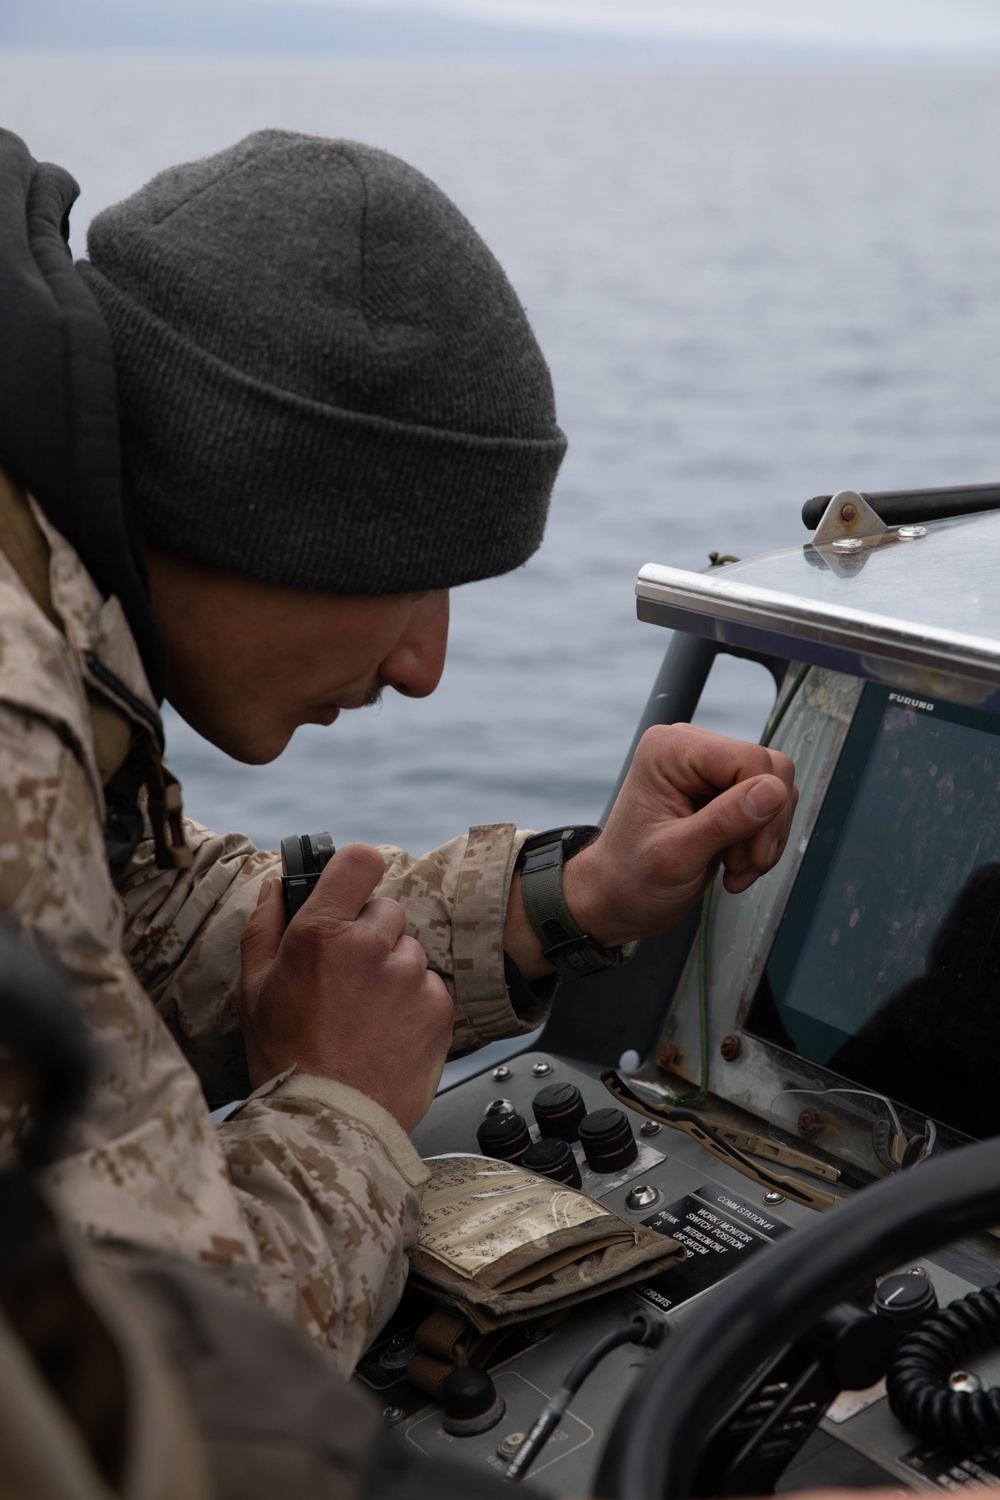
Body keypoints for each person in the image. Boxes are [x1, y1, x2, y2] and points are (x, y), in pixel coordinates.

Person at [0, 125, 797, 1373]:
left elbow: (144, 927)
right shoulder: (12, 704)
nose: (425, 668)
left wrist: (570, 896)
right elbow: (149, 1396)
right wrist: (342, 1117)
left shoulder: (55, 591)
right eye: (408, 578)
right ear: (250, 502)